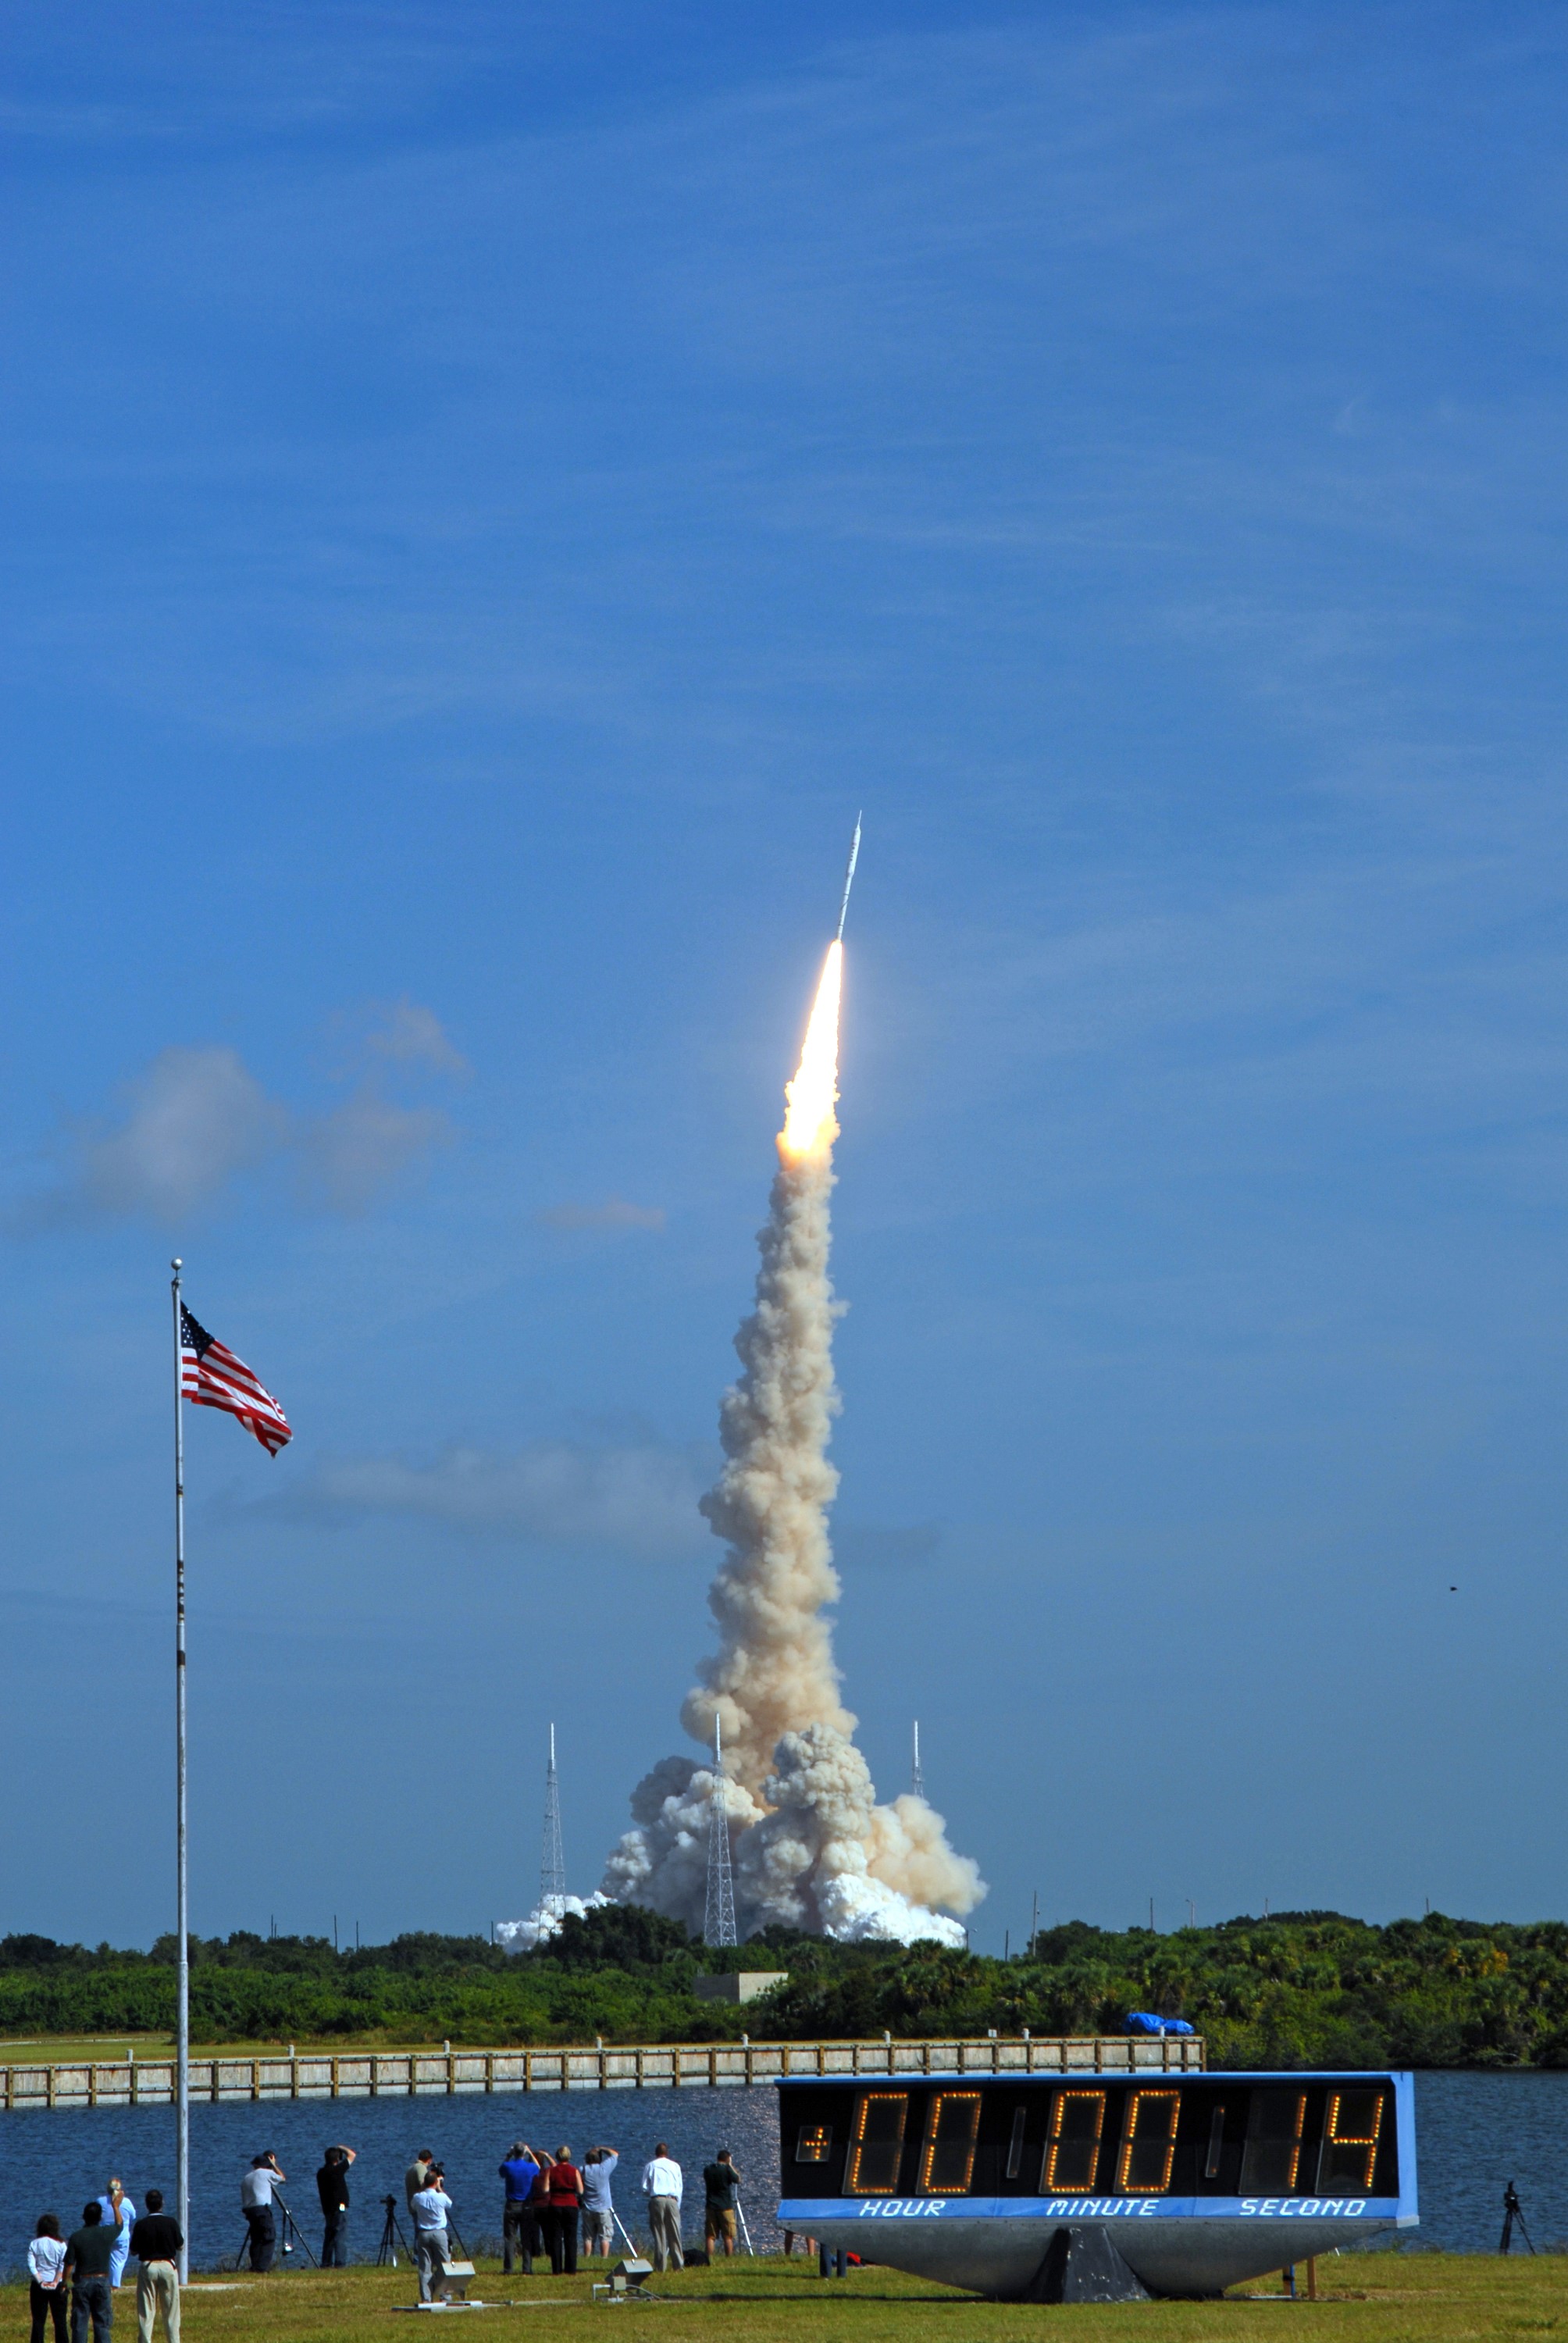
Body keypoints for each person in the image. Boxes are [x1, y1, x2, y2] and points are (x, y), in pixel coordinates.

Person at [129, 2191, 183, 2343]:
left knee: (146, 2311)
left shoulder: (141, 2225)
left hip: (148, 2266)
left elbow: (133, 2251)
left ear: (147, 2205)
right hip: (168, 2266)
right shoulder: (171, 2222)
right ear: (162, 2203)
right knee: (171, 2310)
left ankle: (146, 2340)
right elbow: (180, 2246)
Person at [64, 2202, 116, 2343]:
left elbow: (69, 2263)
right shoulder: (106, 2233)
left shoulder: (76, 2237)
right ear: (100, 2217)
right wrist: (116, 2206)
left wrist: (64, 2282)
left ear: (83, 2217)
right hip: (102, 2281)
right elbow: (120, 2225)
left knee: (80, 2323)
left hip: (82, 2282)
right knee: (102, 2323)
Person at [410, 2163, 454, 2305]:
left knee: (424, 2268)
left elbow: (412, 2206)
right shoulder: (440, 2197)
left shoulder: (418, 2197)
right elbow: (450, 2204)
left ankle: (426, 2298)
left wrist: (423, 2188)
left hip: (423, 2234)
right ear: (435, 2183)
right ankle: (445, 2296)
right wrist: (440, 2189)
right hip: (439, 2233)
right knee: (444, 2266)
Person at [240, 2153, 287, 2273]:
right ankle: (261, 2268)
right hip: (262, 2209)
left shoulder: (247, 2177)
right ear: (267, 2165)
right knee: (268, 2237)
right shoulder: (266, 2173)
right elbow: (282, 2178)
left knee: (256, 2239)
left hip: (250, 2211)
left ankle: (255, 2266)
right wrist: (274, 2165)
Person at [497, 2142, 540, 2276]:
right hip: (526, 2205)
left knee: (510, 2238)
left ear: (514, 2153)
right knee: (526, 2238)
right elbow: (539, 2168)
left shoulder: (508, 2166)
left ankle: (508, 2269)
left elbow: (501, 2171)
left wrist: (508, 2155)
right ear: (523, 2153)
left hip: (511, 2205)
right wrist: (531, 2153)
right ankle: (527, 2268)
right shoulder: (530, 2167)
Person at [641, 2144, 683, 2273]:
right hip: (672, 2200)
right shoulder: (675, 2166)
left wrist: (652, 2193)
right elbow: (680, 2187)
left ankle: (661, 2266)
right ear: (667, 2153)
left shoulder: (650, 2166)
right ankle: (678, 2265)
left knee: (659, 2233)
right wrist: (677, 2204)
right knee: (675, 2233)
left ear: (656, 2153)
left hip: (657, 2199)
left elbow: (644, 2187)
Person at [544, 2147, 583, 2276]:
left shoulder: (551, 2171)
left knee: (556, 2238)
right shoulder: (574, 2171)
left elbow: (545, 2189)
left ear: (557, 2157)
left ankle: (556, 2269)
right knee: (571, 2238)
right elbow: (581, 2191)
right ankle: (571, 2268)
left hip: (555, 2204)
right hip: (571, 2205)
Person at [28, 2215, 67, 2343]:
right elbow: (63, 2264)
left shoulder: (34, 2244)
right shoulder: (61, 2244)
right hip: (57, 2286)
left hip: (39, 2286)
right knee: (60, 2321)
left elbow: (32, 2265)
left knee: (38, 2321)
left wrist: (40, 2281)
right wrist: (56, 2281)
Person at [316, 2145, 355, 2267]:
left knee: (329, 2235)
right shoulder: (337, 2170)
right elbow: (352, 2155)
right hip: (340, 2206)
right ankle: (340, 2262)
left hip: (327, 2209)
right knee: (340, 2234)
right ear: (337, 2159)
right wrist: (341, 2148)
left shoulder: (321, 2173)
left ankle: (326, 2262)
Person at [580, 2149, 620, 2259]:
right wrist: (602, 2148)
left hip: (588, 2208)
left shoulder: (583, 2170)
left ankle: (587, 2258)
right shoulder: (604, 2169)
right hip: (603, 2209)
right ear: (599, 2159)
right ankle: (604, 2258)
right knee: (605, 2236)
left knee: (588, 2237)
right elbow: (615, 2154)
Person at [702, 2149, 742, 2259]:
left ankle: (708, 2259)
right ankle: (729, 2259)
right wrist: (730, 2165)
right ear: (727, 2159)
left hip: (711, 2206)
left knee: (710, 2236)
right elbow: (738, 2179)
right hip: (725, 2208)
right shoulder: (727, 2169)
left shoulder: (708, 2170)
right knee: (728, 2236)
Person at [98, 2183, 136, 2292]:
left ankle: (104, 2283)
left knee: (105, 2261)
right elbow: (133, 2216)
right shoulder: (127, 2202)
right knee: (118, 2261)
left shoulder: (100, 2201)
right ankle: (115, 2285)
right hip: (122, 2236)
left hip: (105, 2235)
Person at [404, 2151, 434, 2215]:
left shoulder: (411, 2168)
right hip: (421, 2208)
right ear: (429, 2160)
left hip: (414, 2206)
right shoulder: (421, 2167)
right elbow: (423, 2184)